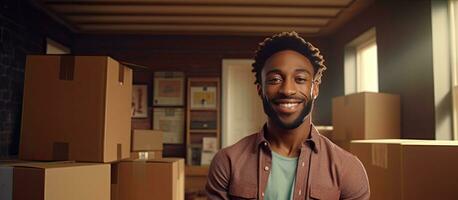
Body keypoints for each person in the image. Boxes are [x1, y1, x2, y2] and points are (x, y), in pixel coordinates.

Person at [206, 31, 370, 200]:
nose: (287, 90)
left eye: (300, 79)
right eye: (275, 79)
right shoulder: (226, 163)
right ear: (260, 90)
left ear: (315, 88)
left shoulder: (348, 170)